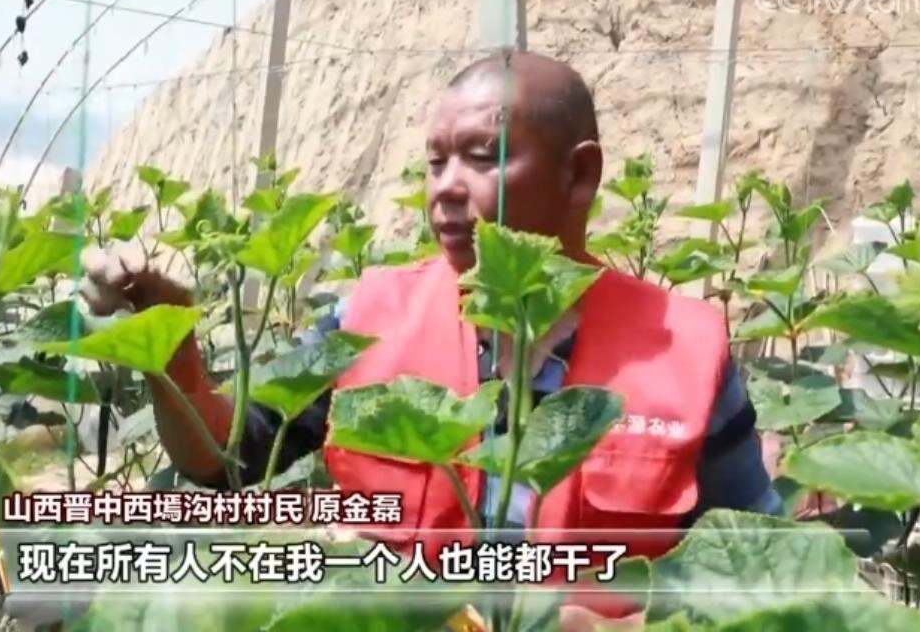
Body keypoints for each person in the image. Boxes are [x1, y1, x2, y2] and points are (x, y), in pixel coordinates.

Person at [79, 50, 782, 630]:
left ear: (580, 175)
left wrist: (624, 627)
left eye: (481, 157)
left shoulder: (685, 350)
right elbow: (224, 458)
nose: (446, 188)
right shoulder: (369, 315)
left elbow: (759, 573)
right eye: (435, 163)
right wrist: (170, 349)